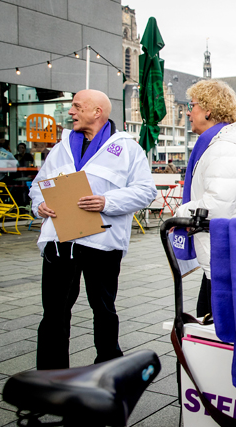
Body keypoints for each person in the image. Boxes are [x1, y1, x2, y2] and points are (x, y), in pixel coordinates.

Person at [29, 89, 156, 370]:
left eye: (76, 106)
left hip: (102, 243)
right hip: (60, 240)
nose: (70, 112)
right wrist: (40, 205)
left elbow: (146, 191)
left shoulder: (127, 149)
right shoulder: (61, 147)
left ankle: (109, 370)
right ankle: (50, 377)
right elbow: (38, 187)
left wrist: (106, 202)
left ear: (97, 111)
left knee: (103, 310)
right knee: (54, 314)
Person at [174, 79, 236, 318]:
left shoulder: (223, 149)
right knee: (208, 316)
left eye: (191, 105)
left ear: (208, 110)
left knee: (215, 323)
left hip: (228, 255)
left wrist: (180, 213)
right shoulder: (222, 145)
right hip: (230, 253)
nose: (187, 112)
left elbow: (215, 207)